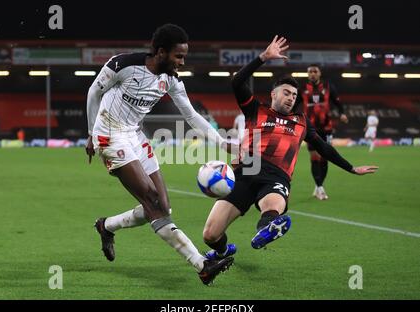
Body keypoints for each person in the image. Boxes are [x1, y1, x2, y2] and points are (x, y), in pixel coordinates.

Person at [202, 36, 378, 260]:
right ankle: (224, 251)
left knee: (272, 205)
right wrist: (263, 57)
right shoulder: (256, 109)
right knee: (210, 234)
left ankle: (267, 228)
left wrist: (351, 168)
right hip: (245, 172)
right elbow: (237, 81)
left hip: (277, 176)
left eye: (294, 95)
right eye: (286, 93)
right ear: (274, 94)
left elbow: (324, 148)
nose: (291, 98)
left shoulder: (302, 122)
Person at [85, 24, 233, 285]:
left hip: (135, 135)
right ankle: (201, 265)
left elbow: (191, 115)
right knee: (152, 201)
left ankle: (105, 226)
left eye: (184, 56)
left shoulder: (172, 80)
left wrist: (221, 141)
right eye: (179, 56)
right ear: (161, 52)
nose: (182, 62)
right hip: (109, 134)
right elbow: (94, 92)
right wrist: (91, 133)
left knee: (163, 206)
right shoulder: (123, 64)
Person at [300, 64, 349, 200]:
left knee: (325, 157)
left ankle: (318, 186)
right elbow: (293, 103)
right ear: (307, 74)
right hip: (310, 129)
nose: (312, 74)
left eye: (315, 71)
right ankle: (320, 187)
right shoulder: (303, 89)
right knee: (314, 157)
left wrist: (342, 113)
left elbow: (337, 101)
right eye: (310, 72)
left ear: (320, 73)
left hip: (326, 127)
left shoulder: (328, 86)